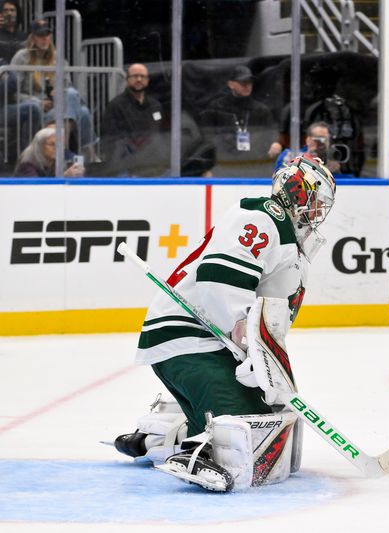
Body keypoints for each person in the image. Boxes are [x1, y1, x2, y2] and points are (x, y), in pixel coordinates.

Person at [113, 154, 336, 492]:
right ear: (298, 192)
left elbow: (268, 317)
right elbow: (220, 281)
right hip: (193, 341)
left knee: (273, 423)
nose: (319, 211)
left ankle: (164, 434)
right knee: (249, 437)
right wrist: (250, 349)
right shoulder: (265, 216)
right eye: (316, 199)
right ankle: (198, 449)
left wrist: (264, 363)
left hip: (213, 348)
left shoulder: (289, 237)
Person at [10, 19, 97, 157]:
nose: (44, 39)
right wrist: (38, 102)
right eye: (40, 35)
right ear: (33, 38)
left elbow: (68, 89)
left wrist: (58, 95)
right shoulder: (22, 57)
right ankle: (86, 153)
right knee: (83, 112)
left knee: (75, 99)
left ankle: (66, 145)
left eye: (47, 35)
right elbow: (13, 92)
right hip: (37, 111)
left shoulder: (58, 58)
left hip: (58, 109)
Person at [100, 63, 166, 175]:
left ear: (148, 80)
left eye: (142, 76)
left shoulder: (156, 106)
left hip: (154, 164)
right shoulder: (115, 106)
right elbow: (111, 141)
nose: (139, 79)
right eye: (135, 76)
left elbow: (161, 134)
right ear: (127, 79)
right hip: (126, 166)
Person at [199, 65, 272, 159]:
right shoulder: (216, 107)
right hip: (223, 162)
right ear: (230, 84)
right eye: (243, 82)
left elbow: (268, 137)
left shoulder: (261, 110)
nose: (247, 85)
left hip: (254, 162)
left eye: (250, 82)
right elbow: (207, 136)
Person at [13, 126, 84, 177]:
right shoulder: (27, 163)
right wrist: (64, 177)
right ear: (40, 145)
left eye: (60, 145)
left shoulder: (56, 156)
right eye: (52, 144)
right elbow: (36, 189)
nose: (57, 148)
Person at [273, 121, 340, 173]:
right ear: (308, 140)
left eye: (326, 139)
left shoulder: (334, 156)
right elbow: (279, 179)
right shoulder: (289, 155)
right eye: (318, 139)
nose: (322, 143)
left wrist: (334, 170)